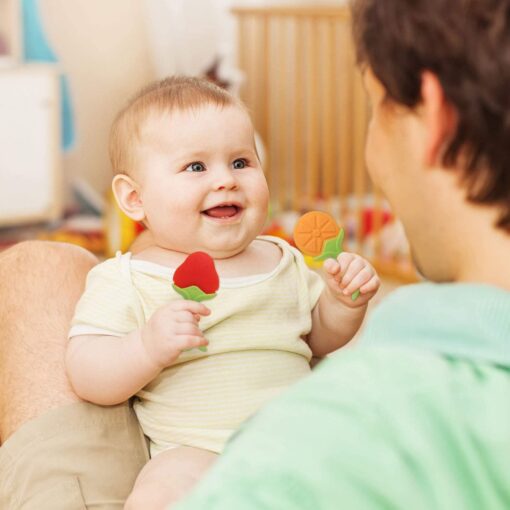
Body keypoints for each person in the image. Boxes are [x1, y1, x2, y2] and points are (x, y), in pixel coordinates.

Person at [168, 0, 510, 508]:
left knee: (39, 271)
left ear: (437, 117)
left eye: (374, 106)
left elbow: (315, 333)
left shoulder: (317, 447)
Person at [64, 76, 379, 509]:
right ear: (135, 199)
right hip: (197, 452)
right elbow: (85, 371)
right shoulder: (128, 277)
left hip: (298, 435)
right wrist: (145, 347)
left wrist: (343, 304)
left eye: (241, 162)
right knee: (159, 491)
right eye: (196, 167)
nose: (226, 181)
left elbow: (319, 337)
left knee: (368, 460)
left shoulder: (281, 259)